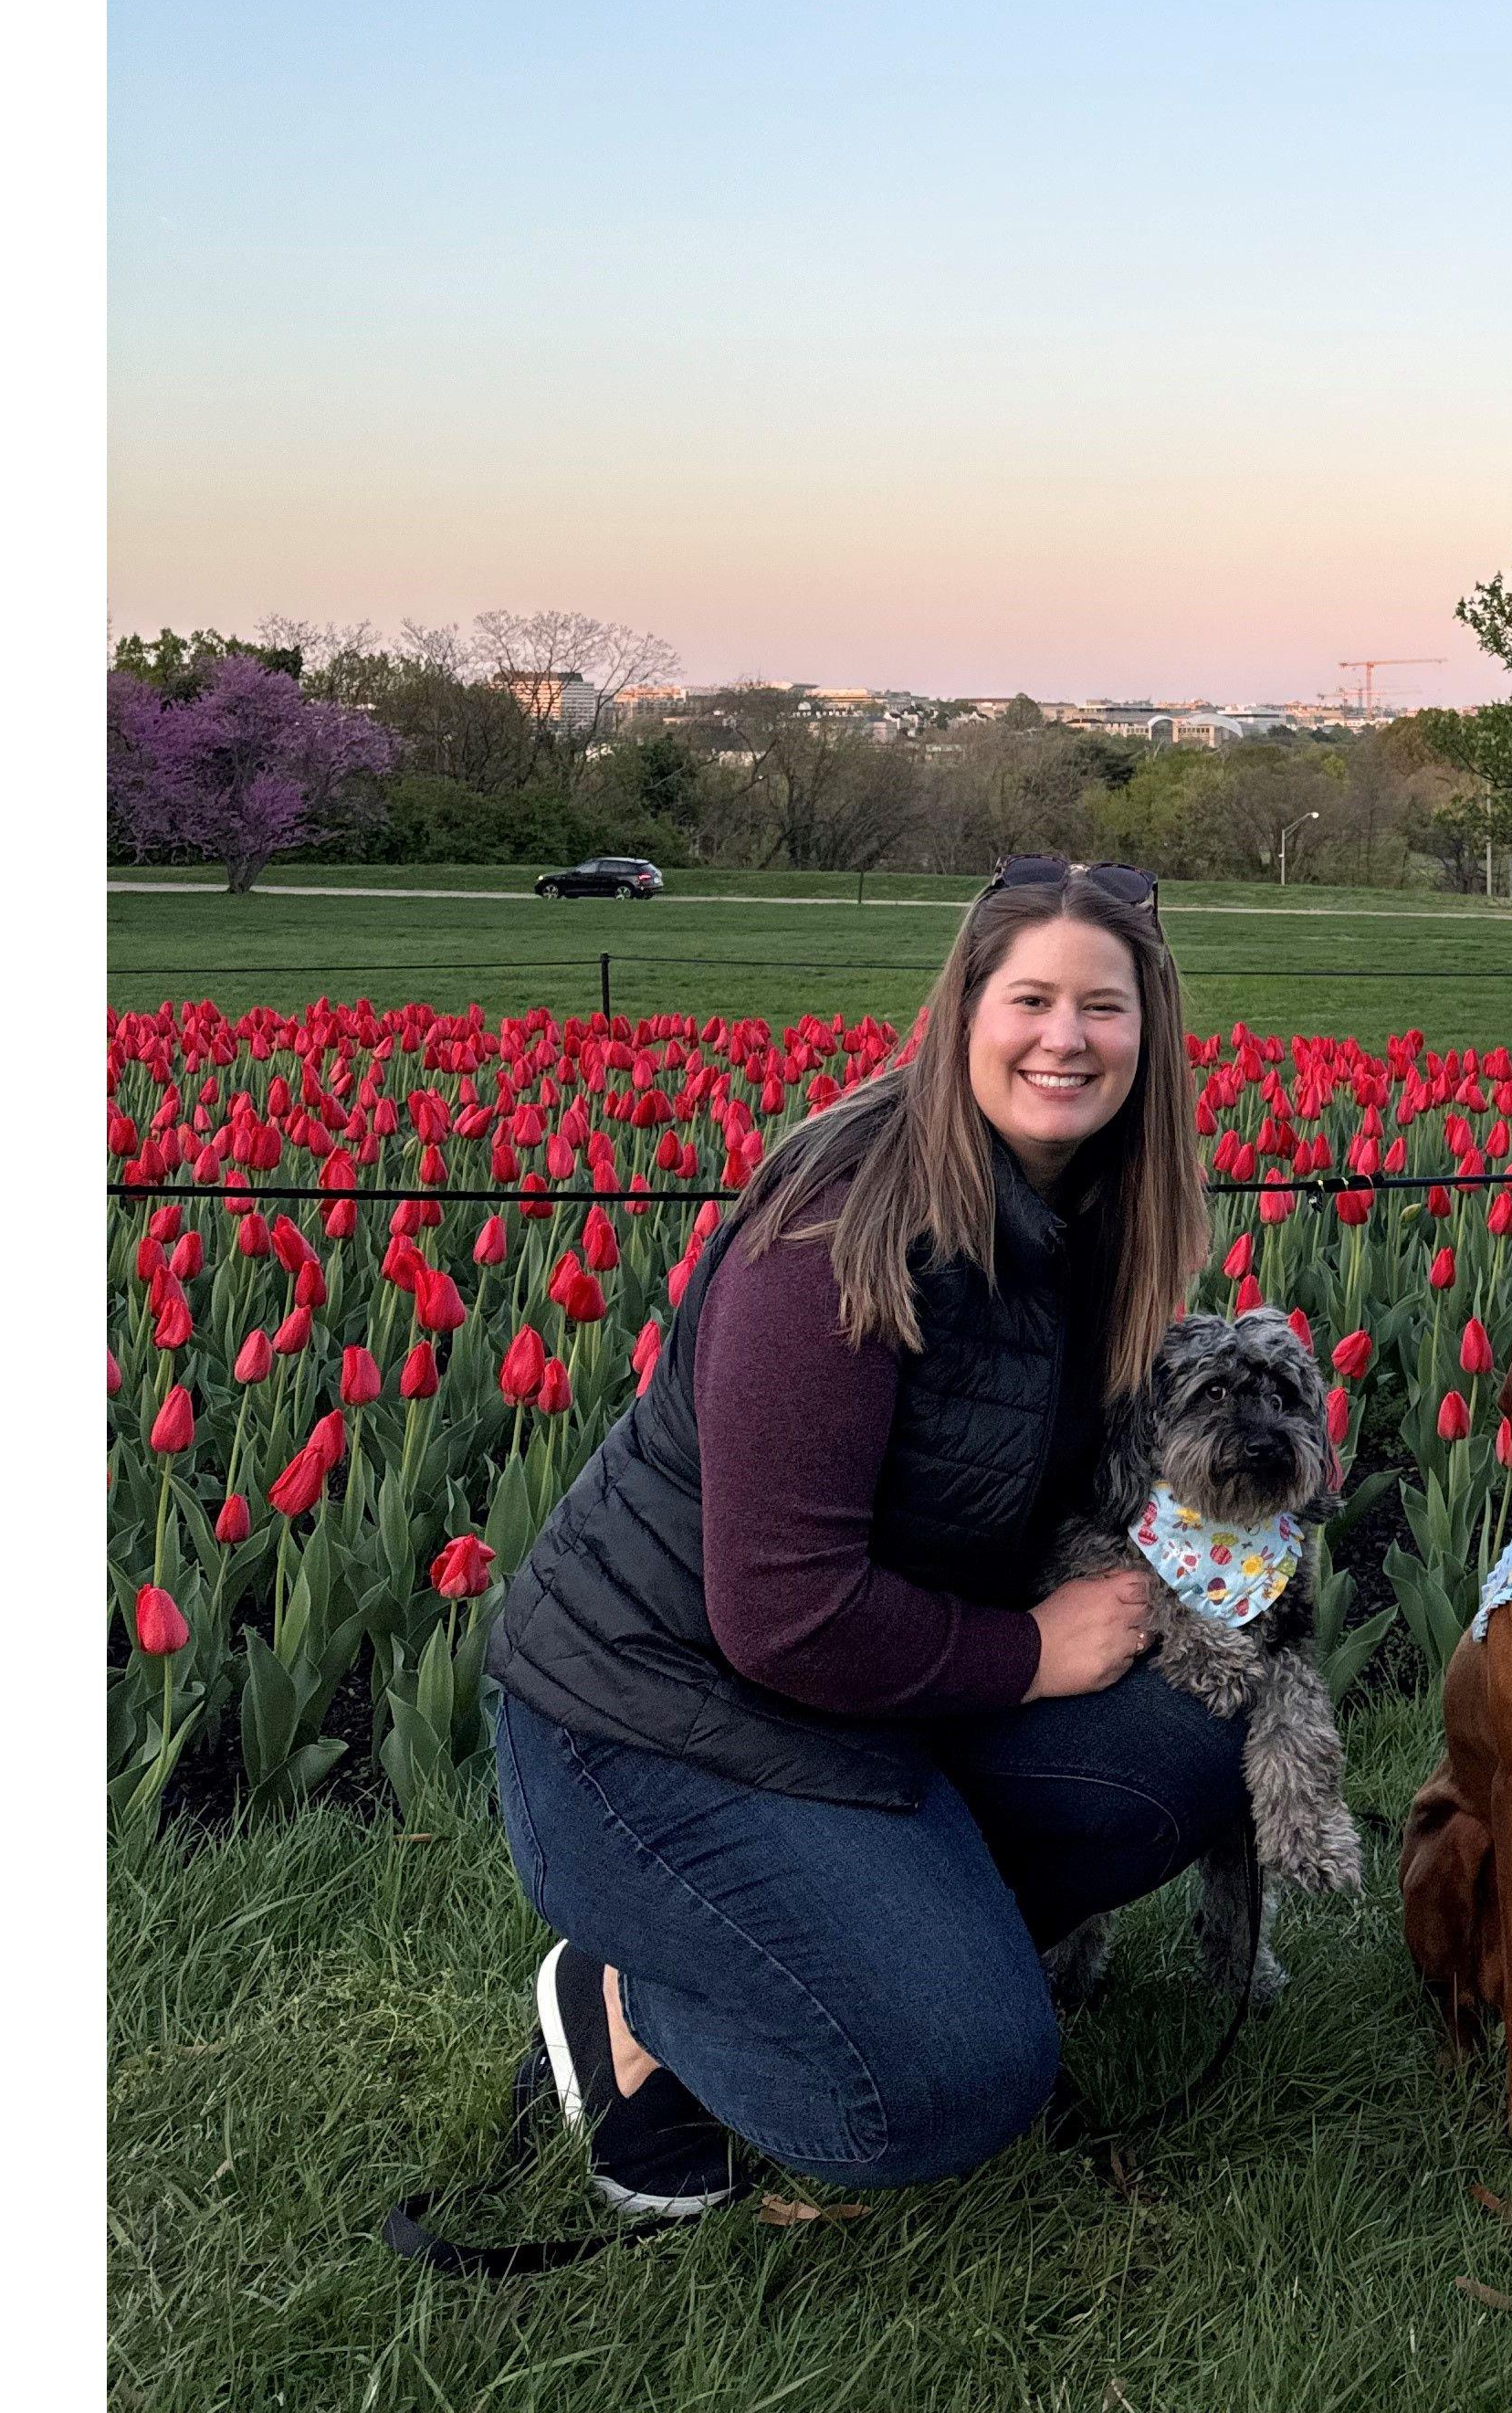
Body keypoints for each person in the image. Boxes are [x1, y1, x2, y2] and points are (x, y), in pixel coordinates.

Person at [481, 859, 1241, 2216]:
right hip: (656, 1719)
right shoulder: (844, 1227)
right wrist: (1023, 1657)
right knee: (941, 2086)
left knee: (1182, 1754)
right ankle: (633, 1998)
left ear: (1153, 1029)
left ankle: (868, 1940)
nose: (1066, 1037)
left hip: (863, 1699)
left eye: (1104, 1006)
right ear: (963, 1013)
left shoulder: (1090, 1214)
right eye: (1031, 999)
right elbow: (780, 1617)